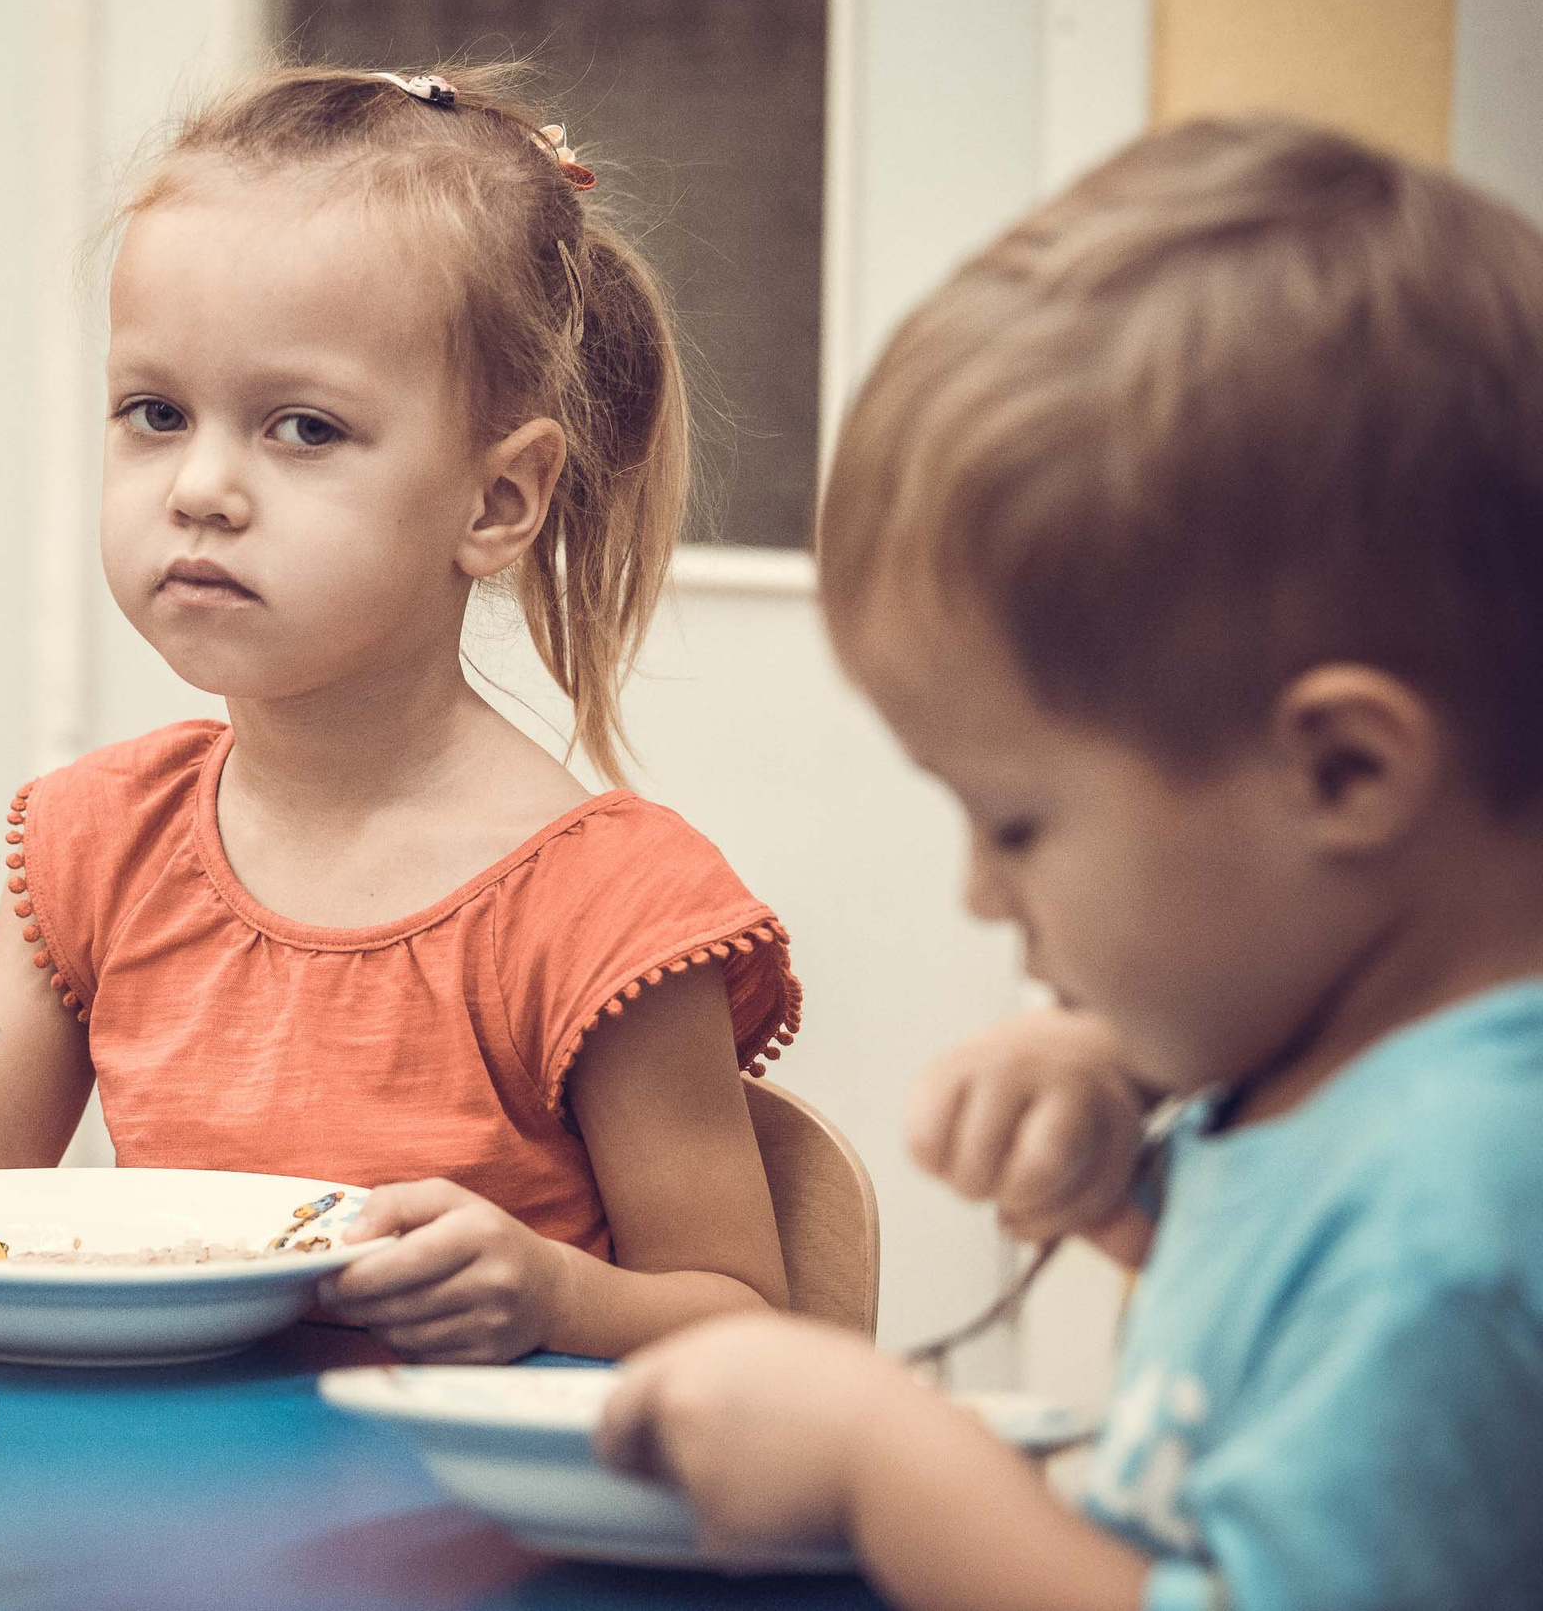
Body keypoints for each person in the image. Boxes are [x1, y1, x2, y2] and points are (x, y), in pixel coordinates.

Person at [0, 65, 801, 1362]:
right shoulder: (98, 843)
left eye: (303, 428)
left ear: (497, 502)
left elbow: (751, 1319)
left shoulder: (610, 910)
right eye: (156, 413)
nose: (200, 486)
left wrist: (553, 1295)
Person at [595, 116, 1543, 1609]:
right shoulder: (1357, 1097)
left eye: (1016, 823)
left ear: (1346, 773)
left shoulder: (1456, 1216)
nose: (980, 893)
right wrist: (1139, 1196)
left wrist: (884, 1463)